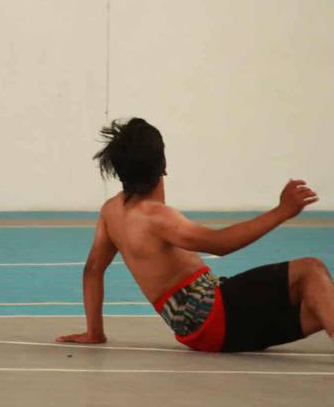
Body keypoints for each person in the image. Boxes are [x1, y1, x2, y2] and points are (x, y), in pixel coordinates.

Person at [57, 118, 332, 352]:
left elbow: (92, 270)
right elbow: (220, 244)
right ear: (163, 165)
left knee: (321, 303)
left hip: (201, 334)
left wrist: (95, 332)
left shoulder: (111, 213)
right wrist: (282, 211)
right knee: (311, 270)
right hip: (211, 312)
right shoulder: (158, 217)